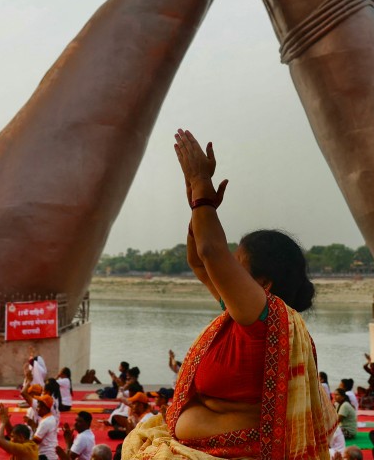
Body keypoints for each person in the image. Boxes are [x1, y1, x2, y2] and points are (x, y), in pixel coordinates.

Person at [123, 125, 335, 460]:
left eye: (237, 265)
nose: (226, 272)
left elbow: (210, 251)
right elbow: (199, 260)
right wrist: (195, 200)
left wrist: (202, 188)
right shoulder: (243, 317)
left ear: (263, 284)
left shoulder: (261, 320)